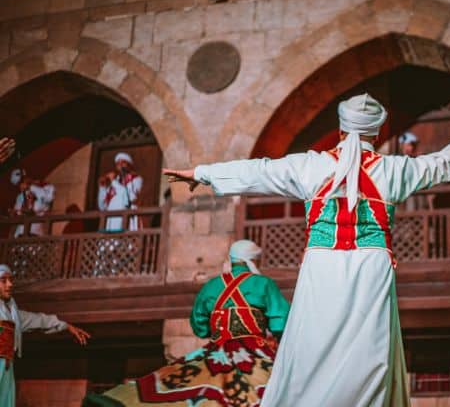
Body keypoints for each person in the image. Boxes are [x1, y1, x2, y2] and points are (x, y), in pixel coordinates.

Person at [163, 93, 450, 407]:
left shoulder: (311, 167)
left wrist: (202, 174)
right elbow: (439, 165)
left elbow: (259, 171)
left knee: (312, 342)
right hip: (371, 265)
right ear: (375, 132)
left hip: (322, 263)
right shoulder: (394, 169)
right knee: (368, 350)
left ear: (341, 130)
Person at [83, 239, 290, 407]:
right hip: (255, 352)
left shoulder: (211, 286)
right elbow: (282, 324)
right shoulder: (263, 284)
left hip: (216, 353)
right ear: (252, 260)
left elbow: (199, 327)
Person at [0, 264, 90, 406]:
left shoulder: (12, 312)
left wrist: (66, 326)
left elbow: (38, 320)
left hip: (6, 368)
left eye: (11, 280)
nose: (10, 284)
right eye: (3, 280)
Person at [98, 152, 143, 232]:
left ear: (129, 165)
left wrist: (113, 181)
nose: (120, 165)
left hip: (127, 219)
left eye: (123, 162)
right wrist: (102, 188)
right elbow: (103, 207)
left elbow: (130, 198)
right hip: (112, 221)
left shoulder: (136, 179)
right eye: (118, 163)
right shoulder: (114, 183)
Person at [10, 168, 55, 237]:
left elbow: (48, 198)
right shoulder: (20, 196)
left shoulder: (46, 188)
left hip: (35, 234)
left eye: (22, 181)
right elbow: (17, 212)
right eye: (19, 184)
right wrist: (15, 213)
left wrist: (30, 187)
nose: (21, 185)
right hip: (20, 235)